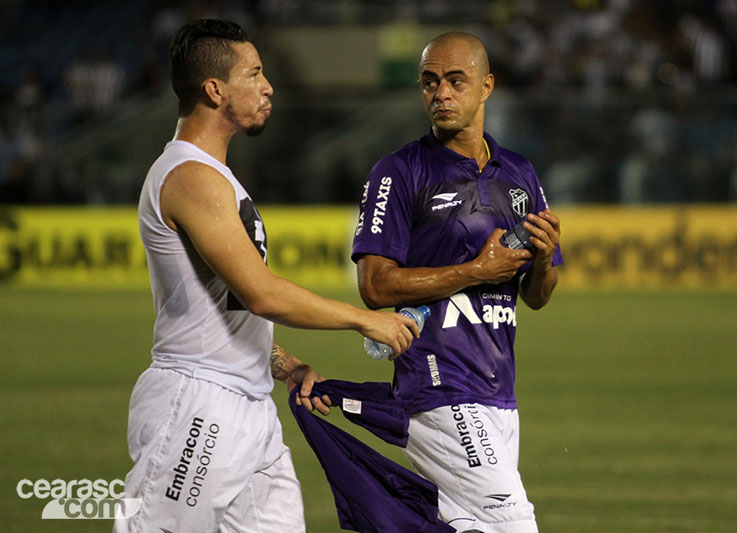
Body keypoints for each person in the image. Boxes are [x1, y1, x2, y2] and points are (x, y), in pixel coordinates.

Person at [115, 19, 418, 533]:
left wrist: (278, 361)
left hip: (248, 406)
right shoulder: (190, 177)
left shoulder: (216, 177)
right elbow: (260, 292)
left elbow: (222, 301)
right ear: (215, 90)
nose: (267, 85)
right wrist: (366, 321)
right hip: (199, 404)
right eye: (253, 73)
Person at [351, 32, 562, 533]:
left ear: (486, 86)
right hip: (438, 383)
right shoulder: (397, 173)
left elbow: (535, 296)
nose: (440, 93)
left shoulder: (520, 173)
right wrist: (474, 272)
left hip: (499, 390)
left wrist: (547, 259)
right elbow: (375, 286)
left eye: (454, 80)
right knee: (513, 525)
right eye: (429, 82)